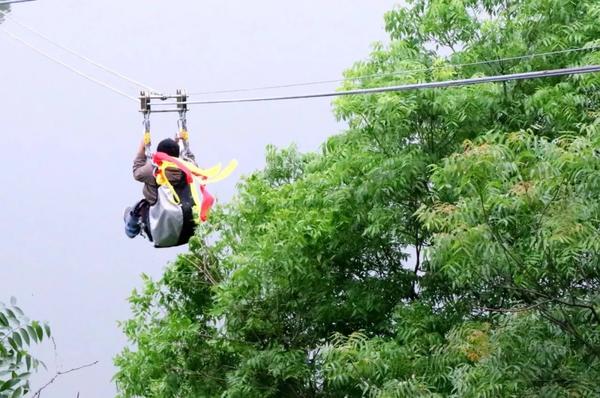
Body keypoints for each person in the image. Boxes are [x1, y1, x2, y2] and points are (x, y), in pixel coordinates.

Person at [124, 136, 195, 239]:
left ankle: (131, 231)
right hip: (183, 221)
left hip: (157, 222)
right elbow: (189, 158)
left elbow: (137, 171)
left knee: (134, 210)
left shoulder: (153, 170)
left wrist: (142, 147)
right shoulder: (187, 169)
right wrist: (181, 144)